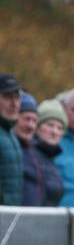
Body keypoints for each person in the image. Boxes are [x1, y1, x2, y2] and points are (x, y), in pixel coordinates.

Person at [22, 100, 67, 207]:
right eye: (50, 125)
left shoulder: (51, 159)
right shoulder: (26, 154)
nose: (55, 132)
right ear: (37, 127)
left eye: (60, 128)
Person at [0, 73, 23, 206]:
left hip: (10, 215)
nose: (14, 104)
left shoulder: (10, 133)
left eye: (17, 97)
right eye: (7, 97)